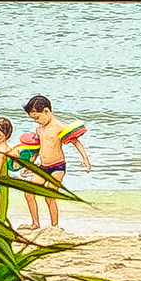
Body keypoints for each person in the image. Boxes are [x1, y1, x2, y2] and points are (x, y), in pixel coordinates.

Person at [18, 93, 91, 227]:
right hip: (43, 167)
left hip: (58, 167)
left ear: (46, 111)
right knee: (28, 193)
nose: (36, 121)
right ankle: (35, 223)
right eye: (34, 119)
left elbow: (75, 142)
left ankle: (54, 226)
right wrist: (29, 165)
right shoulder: (39, 130)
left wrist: (85, 158)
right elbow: (37, 150)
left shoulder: (59, 127)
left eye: (37, 117)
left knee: (50, 195)